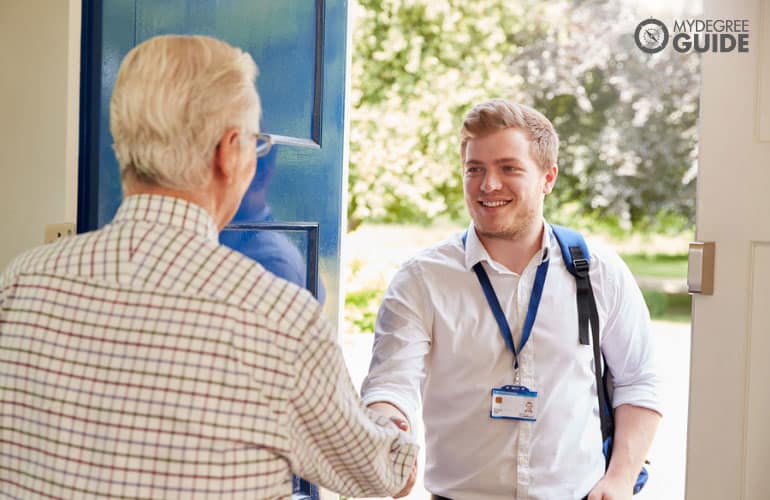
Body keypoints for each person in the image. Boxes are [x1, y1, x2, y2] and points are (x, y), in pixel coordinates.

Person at [0, 35, 416, 499]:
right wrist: (389, 422)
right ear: (229, 151)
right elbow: (381, 475)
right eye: (255, 143)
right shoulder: (277, 318)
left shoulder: (23, 280)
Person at [361, 99, 661, 500]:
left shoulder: (599, 271)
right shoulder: (422, 278)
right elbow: (391, 383)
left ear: (548, 177)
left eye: (508, 168)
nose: (488, 185)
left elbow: (639, 380)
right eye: (475, 169)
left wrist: (621, 480)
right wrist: (387, 428)